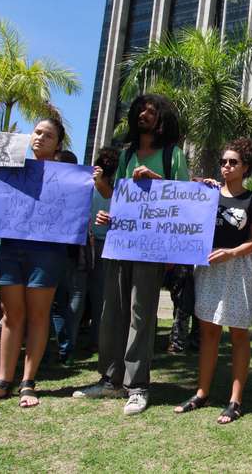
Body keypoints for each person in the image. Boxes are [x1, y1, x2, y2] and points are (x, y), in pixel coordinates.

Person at [73, 93, 189, 416]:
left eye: (152, 111)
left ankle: (137, 386)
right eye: (140, 109)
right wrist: (107, 211)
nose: (144, 114)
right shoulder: (126, 155)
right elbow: (122, 200)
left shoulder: (172, 155)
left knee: (141, 313)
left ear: (161, 119)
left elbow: (184, 199)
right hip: (121, 241)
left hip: (152, 247)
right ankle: (110, 380)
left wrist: (156, 181)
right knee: (112, 311)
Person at [0, 119, 69, 408]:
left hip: (47, 252)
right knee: (11, 315)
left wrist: (96, 178)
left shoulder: (67, 175)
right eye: (37, 132)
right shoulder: (7, 168)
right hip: (11, 248)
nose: (40, 138)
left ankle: (28, 382)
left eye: (48, 135)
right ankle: (2, 382)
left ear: (58, 144)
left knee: (39, 315)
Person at [174, 137, 252, 424]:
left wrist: (231, 253)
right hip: (208, 268)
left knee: (239, 334)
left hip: (237, 270)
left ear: (245, 167)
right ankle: (202, 393)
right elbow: (181, 199)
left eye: (233, 162)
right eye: (224, 162)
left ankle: (235, 400)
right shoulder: (209, 193)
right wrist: (200, 186)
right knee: (209, 333)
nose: (226, 166)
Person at [49, 150, 91, 365]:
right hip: (66, 253)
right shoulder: (84, 185)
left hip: (70, 252)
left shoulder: (82, 185)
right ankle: (65, 347)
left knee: (62, 303)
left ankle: (64, 347)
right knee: (67, 302)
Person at [86, 145, 119, 352]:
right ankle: (94, 336)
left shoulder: (111, 188)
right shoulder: (91, 182)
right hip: (93, 243)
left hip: (98, 244)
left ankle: (96, 337)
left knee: (95, 293)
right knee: (94, 293)